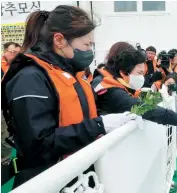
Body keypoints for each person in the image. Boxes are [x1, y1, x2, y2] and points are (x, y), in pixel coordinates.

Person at [1, 6, 136, 188]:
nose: (90, 51)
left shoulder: (74, 74)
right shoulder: (30, 78)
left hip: (77, 176)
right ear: (59, 40)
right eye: (86, 45)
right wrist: (99, 125)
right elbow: (38, 143)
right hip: (46, 181)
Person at [92, 42, 177, 141]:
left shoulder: (117, 82)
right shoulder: (108, 88)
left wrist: (164, 91)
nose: (141, 77)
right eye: (140, 73)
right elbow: (140, 107)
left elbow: (142, 96)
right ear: (124, 70)